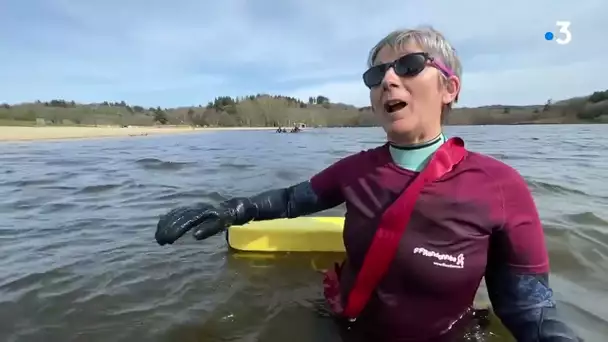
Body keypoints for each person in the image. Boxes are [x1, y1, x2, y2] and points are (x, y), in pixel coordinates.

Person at [155, 27, 580, 342]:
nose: (388, 81)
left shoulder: (500, 186)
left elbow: (529, 308)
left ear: (450, 88)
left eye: (410, 66)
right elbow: (290, 200)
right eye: (376, 75)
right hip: (345, 326)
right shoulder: (355, 170)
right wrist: (232, 209)